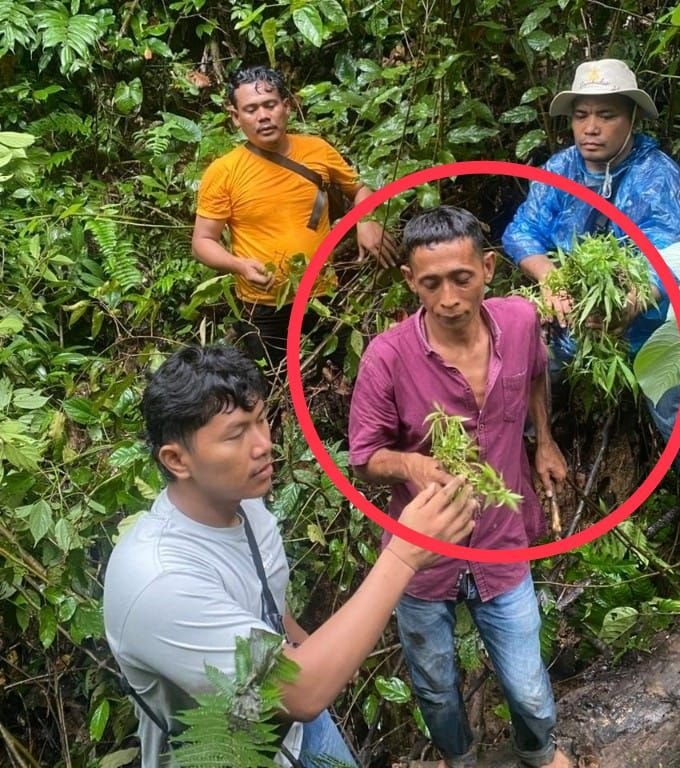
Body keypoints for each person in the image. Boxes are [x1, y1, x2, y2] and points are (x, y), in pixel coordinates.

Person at [102, 344, 477, 768]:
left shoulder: (247, 507)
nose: (264, 444)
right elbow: (299, 693)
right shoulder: (158, 580)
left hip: (294, 734)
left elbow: (270, 615)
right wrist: (405, 554)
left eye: (261, 421)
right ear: (176, 459)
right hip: (229, 754)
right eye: (236, 434)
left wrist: (314, 648)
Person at [501, 58, 680, 634]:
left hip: (653, 330)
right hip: (575, 323)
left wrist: (618, 308)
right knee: (517, 373)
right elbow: (521, 230)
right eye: (582, 115)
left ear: (630, 120)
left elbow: (667, 263)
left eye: (606, 115)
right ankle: (517, 517)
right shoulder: (559, 169)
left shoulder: (658, 178)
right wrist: (550, 279)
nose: (591, 127)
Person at [348, 206, 571, 768]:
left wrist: (543, 440)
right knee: (435, 685)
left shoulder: (519, 321)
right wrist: (413, 466)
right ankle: (459, 759)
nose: (448, 297)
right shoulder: (388, 356)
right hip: (422, 557)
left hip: (503, 540)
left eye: (461, 278)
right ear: (410, 282)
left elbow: (537, 372)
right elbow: (365, 456)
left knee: (528, 685)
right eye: (431, 283)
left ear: (488, 269)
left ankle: (538, 749)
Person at [191, 65, 397, 369]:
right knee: (271, 385)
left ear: (286, 107)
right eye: (251, 109)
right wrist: (238, 265)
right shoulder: (223, 172)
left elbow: (359, 190)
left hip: (324, 296)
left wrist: (365, 219)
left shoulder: (317, 150)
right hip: (262, 305)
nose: (263, 116)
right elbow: (202, 241)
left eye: (270, 105)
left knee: (347, 374)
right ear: (235, 117)